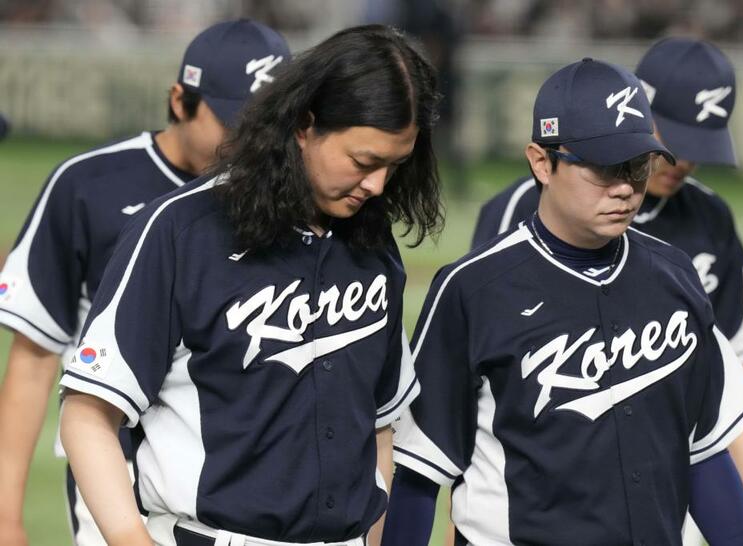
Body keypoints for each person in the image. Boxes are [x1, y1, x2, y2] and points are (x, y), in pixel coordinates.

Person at [58, 24, 442, 546]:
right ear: (304, 125)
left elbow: (376, 429)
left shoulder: (372, 244)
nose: (377, 185)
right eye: (363, 161)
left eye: (394, 167)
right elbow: (87, 415)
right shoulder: (181, 229)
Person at [385, 58, 743, 546]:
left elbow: (706, 452)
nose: (626, 187)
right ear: (542, 162)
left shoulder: (674, 276)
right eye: (605, 167)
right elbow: (421, 470)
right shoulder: (472, 289)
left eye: (638, 165)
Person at [469, 37, 743, 544]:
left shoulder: (707, 216)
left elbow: (732, 363)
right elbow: (472, 380)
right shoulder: (524, 209)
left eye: (700, 148)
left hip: (666, 502)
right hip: (543, 507)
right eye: (672, 139)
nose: (682, 161)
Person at [0, 18, 290, 546]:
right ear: (179, 100)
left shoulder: (298, 201)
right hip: (117, 469)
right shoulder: (88, 185)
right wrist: (4, 517)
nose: (250, 147)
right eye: (234, 125)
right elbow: (35, 355)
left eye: (267, 129)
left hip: (248, 491)